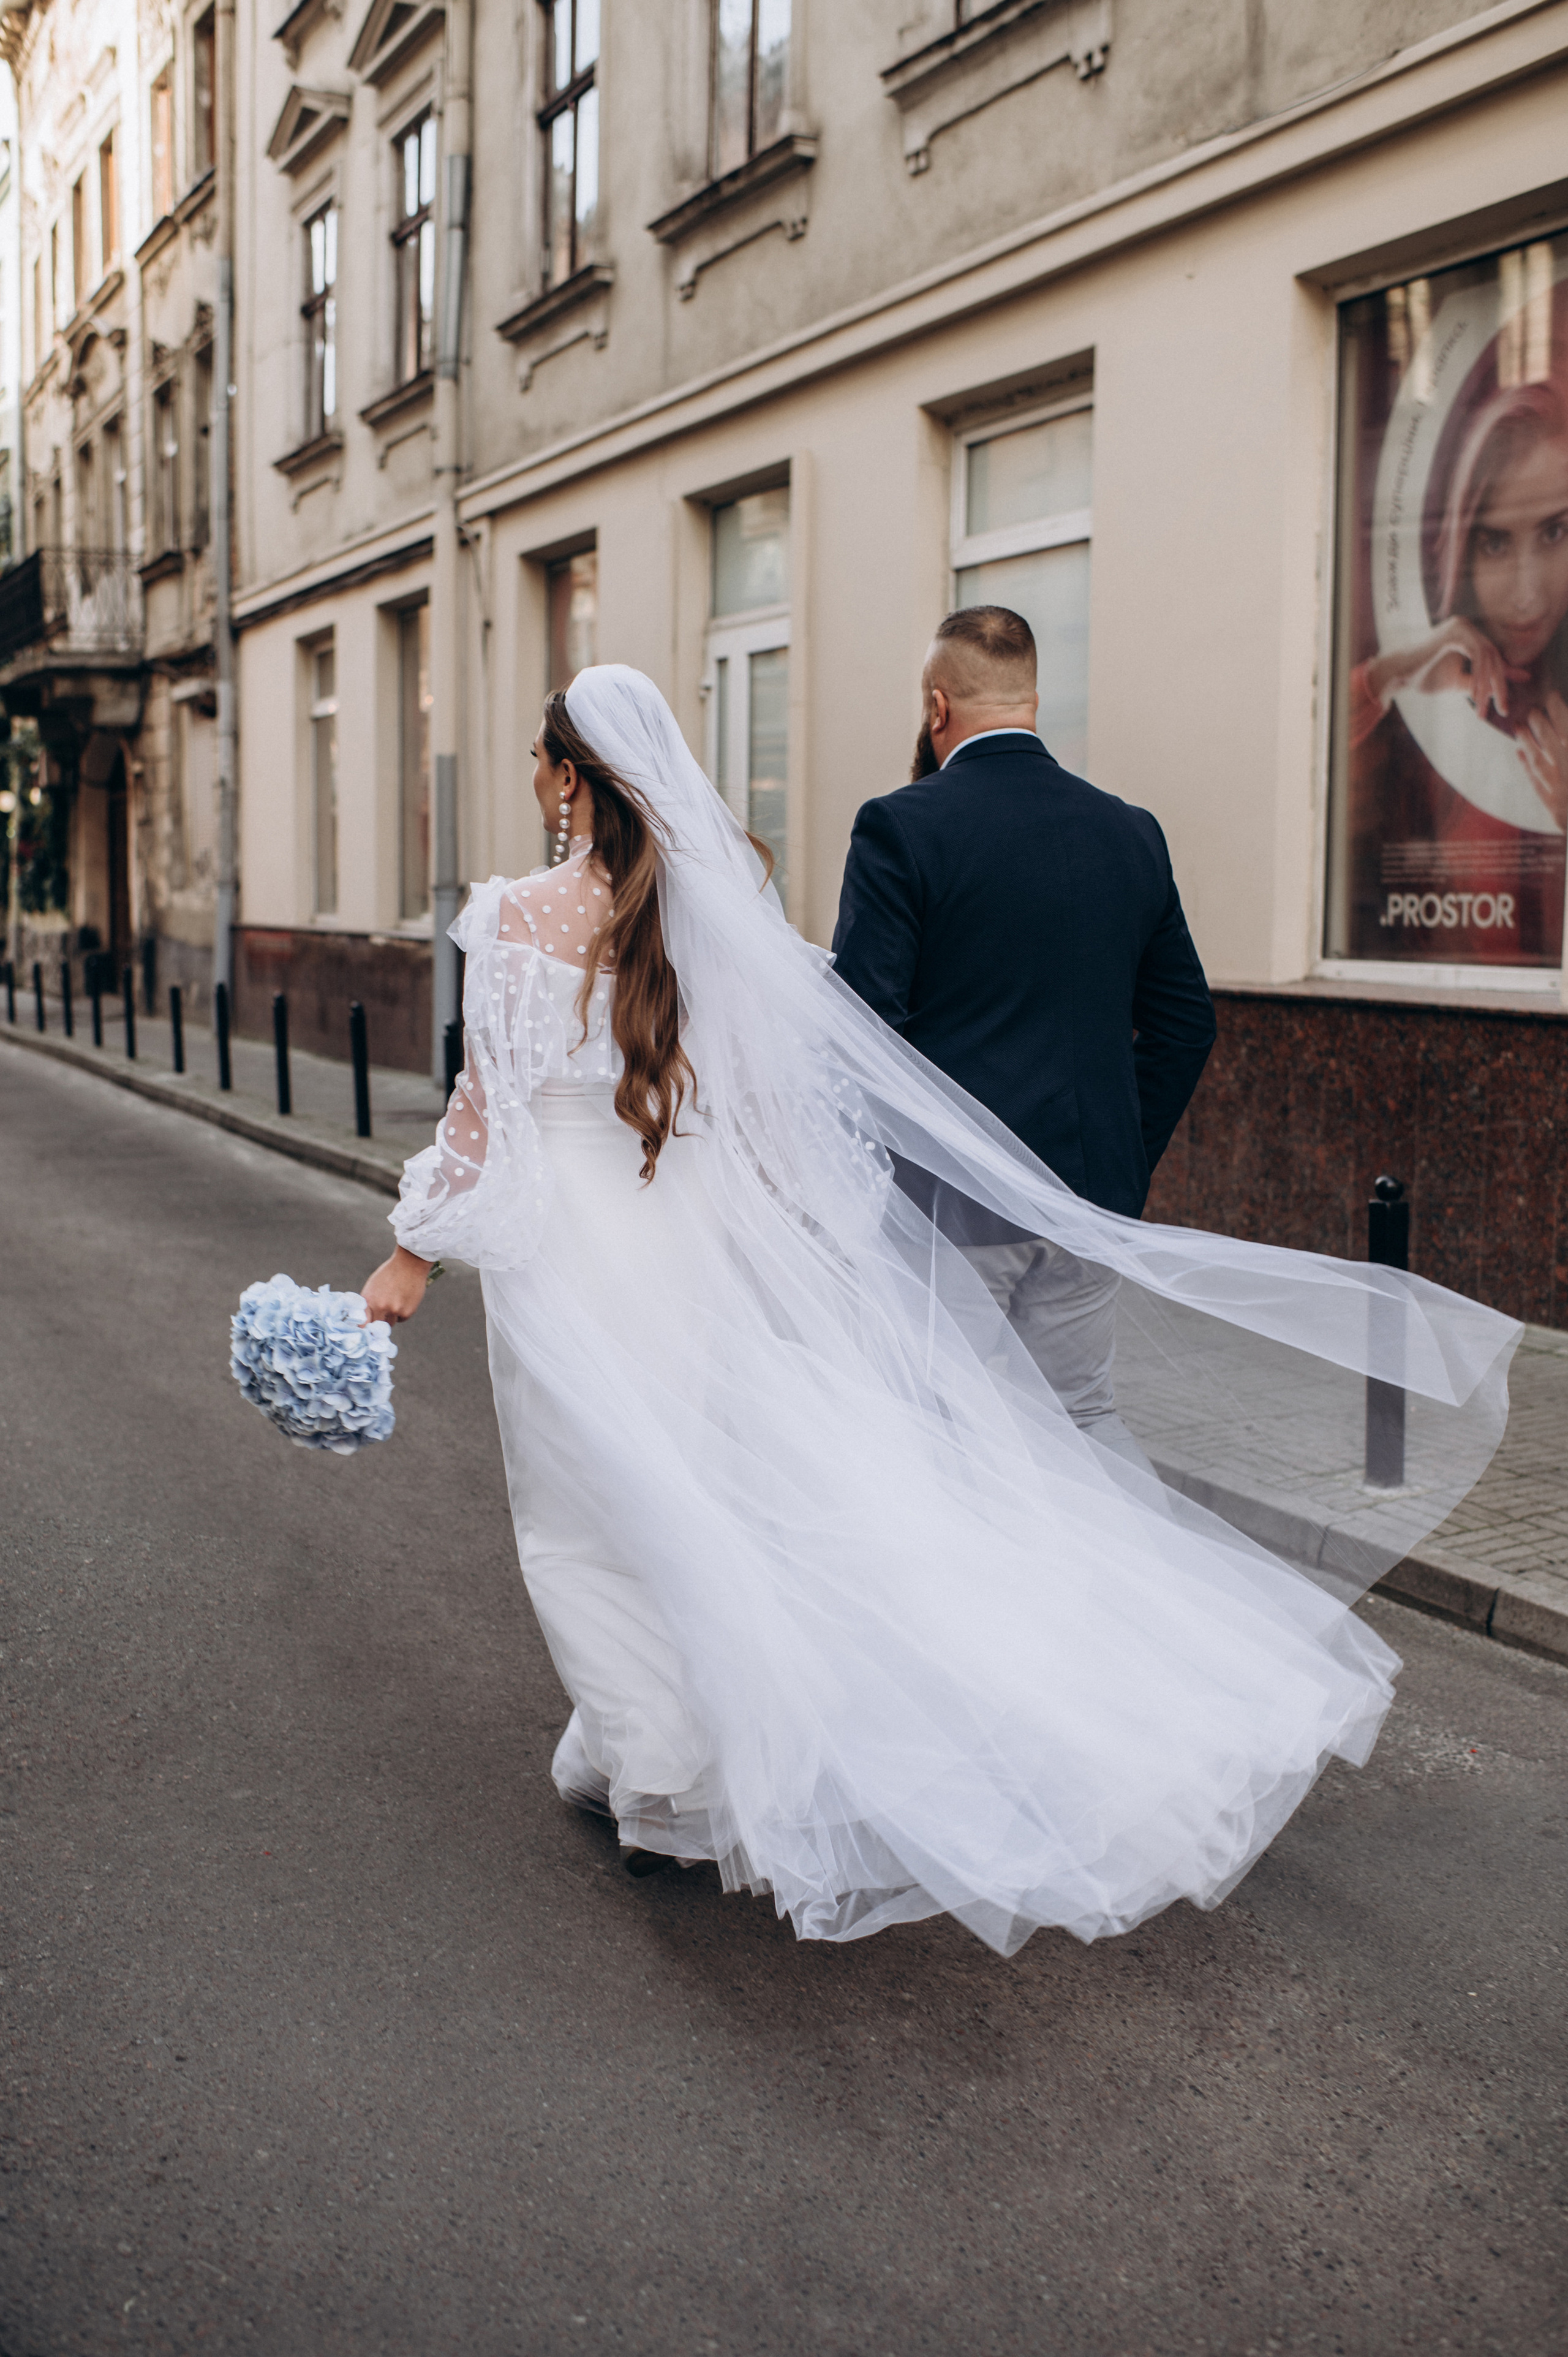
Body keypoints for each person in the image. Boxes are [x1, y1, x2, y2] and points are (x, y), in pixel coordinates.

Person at [360, 664, 1514, 1956]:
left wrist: (409, 1257)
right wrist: (836, 1235)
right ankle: (662, 1742)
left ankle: (659, 1780)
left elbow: (485, 1111)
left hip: (574, 1253)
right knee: (708, 1491)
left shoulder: (515, 917)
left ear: (571, 777)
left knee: (584, 1517)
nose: (532, 777)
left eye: (538, 756)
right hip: (695, 1240)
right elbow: (783, 1097)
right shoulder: (711, 905)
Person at [830, 605, 1215, 1472]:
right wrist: (1114, 1161)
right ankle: (1130, 1602)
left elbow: (861, 1032)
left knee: (938, 1437)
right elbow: (1187, 1024)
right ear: (1033, 701)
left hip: (951, 1205)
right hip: (1087, 1204)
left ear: (938, 706)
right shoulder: (1130, 831)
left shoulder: (901, 827)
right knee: (1080, 1423)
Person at [1352, 377, 1568, 827]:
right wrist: (1397, 671)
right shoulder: (1443, 694)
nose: (1526, 596)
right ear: (1461, 547)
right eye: (1494, 543)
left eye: (1555, 532)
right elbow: (1313, 774)